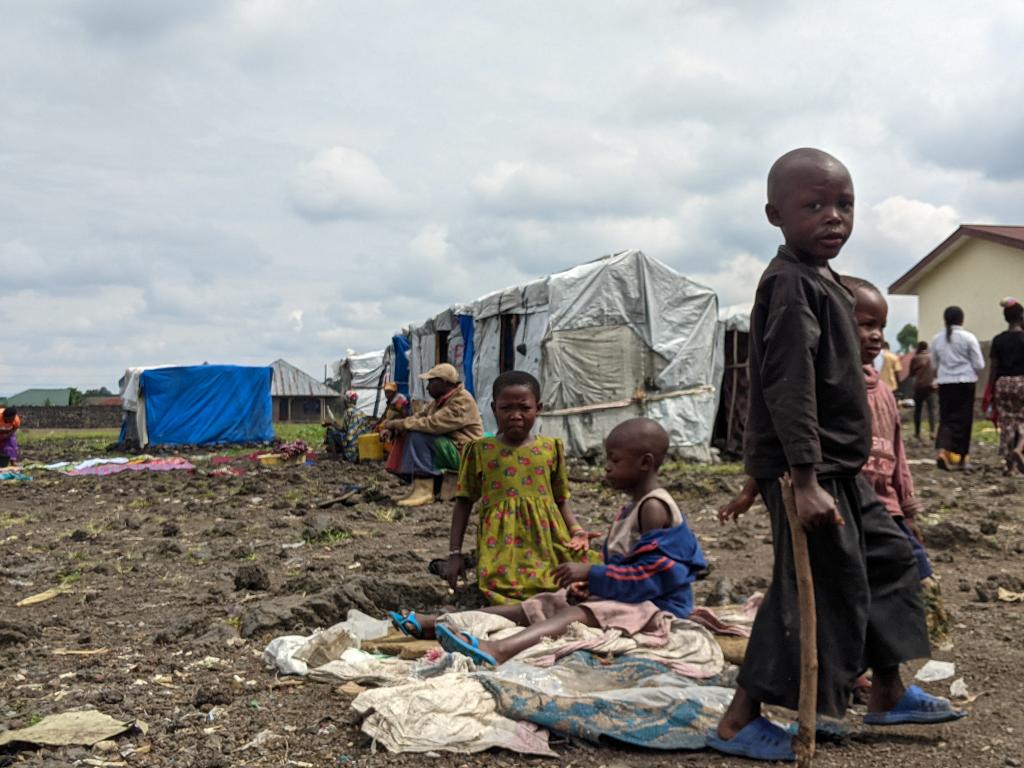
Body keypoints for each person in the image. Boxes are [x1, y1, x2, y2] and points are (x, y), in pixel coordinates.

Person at [708, 149, 962, 763]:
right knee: (813, 592)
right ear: (775, 215)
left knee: (888, 561)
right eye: (815, 205)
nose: (834, 217)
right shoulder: (790, 284)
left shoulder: (826, 282)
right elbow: (787, 386)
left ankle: (886, 693)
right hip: (811, 472)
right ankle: (739, 720)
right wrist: (800, 479)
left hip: (838, 470)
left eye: (845, 205)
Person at [388, 418, 707, 667]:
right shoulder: (632, 508)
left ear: (645, 463)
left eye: (614, 461)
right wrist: (592, 585)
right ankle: (437, 624)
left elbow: (655, 577)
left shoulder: (654, 508)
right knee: (541, 603)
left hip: (660, 607)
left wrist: (592, 574)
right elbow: (630, 569)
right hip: (633, 599)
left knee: (577, 614)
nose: (607, 468)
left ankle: (500, 649)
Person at [443, 370, 595, 604]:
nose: (515, 415)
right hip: (502, 542)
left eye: (524, 408)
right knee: (502, 586)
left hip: (547, 537)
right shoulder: (480, 450)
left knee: (584, 572)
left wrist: (576, 531)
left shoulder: (550, 448)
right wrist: (455, 554)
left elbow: (560, 499)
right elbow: (464, 502)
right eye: (506, 408)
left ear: (538, 408)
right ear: (494, 409)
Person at [381, 363, 484, 507]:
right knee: (407, 431)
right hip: (453, 448)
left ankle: (424, 490)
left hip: (466, 454)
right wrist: (396, 427)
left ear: (444, 382)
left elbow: (432, 424)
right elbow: (418, 417)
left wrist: (394, 424)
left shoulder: (461, 400)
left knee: (419, 435)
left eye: (431, 382)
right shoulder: (438, 402)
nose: (427, 387)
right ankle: (417, 487)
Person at [932, 306, 985, 470]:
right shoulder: (969, 338)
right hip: (965, 382)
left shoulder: (937, 339)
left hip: (945, 383)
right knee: (964, 420)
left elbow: (934, 364)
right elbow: (979, 364)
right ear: (962, 320)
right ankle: (962, 459)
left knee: (946, 419)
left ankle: (943, 452)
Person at [989, 297, 1024, 474]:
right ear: (1021, 316)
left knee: (1007, 422)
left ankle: (1010, 465)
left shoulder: (998, 340)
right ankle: (1020, 448)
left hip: (1002, 383)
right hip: (1021, 383)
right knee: (1022, 420)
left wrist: (991, 389)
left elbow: (994, 367)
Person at [323, 391, 375, 461]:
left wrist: (331, 424)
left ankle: (334, 456)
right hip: (363, 444)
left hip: (351, 445)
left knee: (330, 430)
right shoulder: (361, 413)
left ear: (346, 401)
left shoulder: (348, 412)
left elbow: (343, 429)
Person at [910, 341, 938, 441]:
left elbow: (911, 373)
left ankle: (917, 432)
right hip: (931, 387)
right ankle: (932, 432)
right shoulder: (933, 358)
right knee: (932, 410)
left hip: (919, 387)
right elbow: (937, 371)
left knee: (918, 410)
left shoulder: (915, 359)